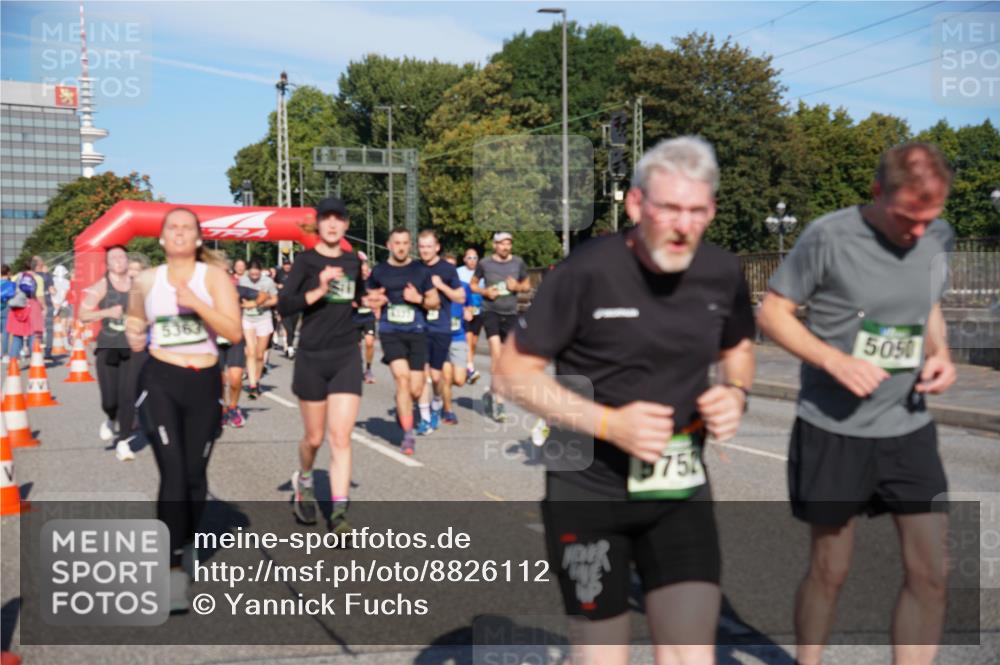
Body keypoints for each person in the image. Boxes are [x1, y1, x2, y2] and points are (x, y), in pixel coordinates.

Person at [494, 136, 756, 665]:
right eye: (669, 209)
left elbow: (739, 346)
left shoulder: (722, 273)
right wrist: (610, 424)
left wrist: (736, 391)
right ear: (637, 204)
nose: (683, 225)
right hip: (587, 492)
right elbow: (511, 373)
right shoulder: (586, 272)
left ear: (712, 210)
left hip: (678, 488)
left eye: (697, 211)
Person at [757, 142, 956, 665]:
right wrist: (835, 361)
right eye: (907, 218)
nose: (917, 232)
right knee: (831, 568)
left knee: (931, 572)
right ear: (876, 193)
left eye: (928, 218)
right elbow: (774, 314)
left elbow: (928, 304)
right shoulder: (828, 235)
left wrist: (941, 352)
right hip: (833, 426)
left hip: (907, 425)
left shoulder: (938, 236)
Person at [126, 208, 241, 612]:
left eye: (186, 228)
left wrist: (196, 303)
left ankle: (185, 544)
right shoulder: (146, 279)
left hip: (204, 384)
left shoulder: (213, 278)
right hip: (161, 381)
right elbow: (135, 317)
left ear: (197, 239)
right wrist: (133, 331)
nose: (178, 233)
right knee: (173, 472)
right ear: (161, 238)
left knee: (194, 477)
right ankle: (172, 569)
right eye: (171, 227)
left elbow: (233, 331)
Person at [277, 197, 385, 531]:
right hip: (311, 354)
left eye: (339, 219)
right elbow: (286, 305)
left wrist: (371, 302)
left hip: (345, 355)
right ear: (319, 224)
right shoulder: (306, 262)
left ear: (346, 225)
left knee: (341, 437)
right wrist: (319, 288)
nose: (333, 224)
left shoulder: (353, 261)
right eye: (327, 219)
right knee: (314, 437)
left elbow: (358, 299)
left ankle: (339, 514)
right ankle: (305, 481)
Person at [366, 227, 439, 455]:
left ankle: (403, 406)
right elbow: (367, 298)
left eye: (405, 243)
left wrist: (418, 299)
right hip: (391, 331)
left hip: (417, 331)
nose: (401, 247)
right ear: (389, 245)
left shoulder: (420, 270)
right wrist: (376, 300)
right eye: (396, 242)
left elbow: (434, 302)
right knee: (402, 379)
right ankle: (408, 436)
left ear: (410, 245)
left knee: (416, 389)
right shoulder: (379, 271)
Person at [79, 245, 139, 461]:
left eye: (122, 256)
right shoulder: (102, 285)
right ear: (108, 263)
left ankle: (123, 441)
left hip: (132, 348)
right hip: (108, 347)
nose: (119, 260)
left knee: (128, 396)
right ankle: (110, 418)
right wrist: (106, 312)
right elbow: (83, 314)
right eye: (114, 257)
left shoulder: (137, 284)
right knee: (109, 400)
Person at [471, 232, 530, 422]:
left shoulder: (518, 263)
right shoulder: (485, 264)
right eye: (502, 244)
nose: (506, 247)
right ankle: (500, 403)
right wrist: (484, 291)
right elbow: (472, 285)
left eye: (508, 244)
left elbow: (527, 285)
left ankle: (490, 393)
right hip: (491, 312)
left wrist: (517, 287)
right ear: (495, 245)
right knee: (496, 355)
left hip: (511, 314)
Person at [415, 230, 465, 435]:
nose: (425, 250)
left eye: (429, 246)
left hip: (441, 328)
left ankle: (436, 403)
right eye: (421, 246)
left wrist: (441, 286)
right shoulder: (414, 268)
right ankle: (425, 419)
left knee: (436, 378)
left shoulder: (447, 269)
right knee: (423, 375)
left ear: (437, 247)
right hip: (418, 327)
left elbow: (460, 298)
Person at [441, 253, 473, 424]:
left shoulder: (463, 286)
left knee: (459, 380)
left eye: (453, 266)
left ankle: (442, 391)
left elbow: (468, 304)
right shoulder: (435, 287)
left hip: (458, 336)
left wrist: (468, 311)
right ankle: (448, 411)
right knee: (446, 377)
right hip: (440, 337)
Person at [239, 260, 278, 400]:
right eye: (252, 273)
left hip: (264, 318)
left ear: (261, 271)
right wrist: (243, 305)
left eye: (257, 273)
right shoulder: (242, 280)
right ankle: (253, 385)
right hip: (247, 319)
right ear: (248, 271)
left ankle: (256, 379)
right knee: (250, 351)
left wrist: (260, 303)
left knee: (260, 355)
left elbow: (275, 299)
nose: (254, 275)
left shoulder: (267, 282)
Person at [456, 248, 483, 384]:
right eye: (470, 258)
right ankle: (468, 368)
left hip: (478, 311)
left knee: (473, 342)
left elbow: (485, 290)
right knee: (467, 339)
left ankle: (468, 366)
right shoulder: (459, 272)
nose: (472, 260)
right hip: (464, 311)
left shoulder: (481, 272)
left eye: (475, 258)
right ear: (464, 259)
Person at [353, 252, 378, 384]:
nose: (364, 272)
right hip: (354, 316)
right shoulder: (352, 281)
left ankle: (368, 369)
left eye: (366, 269)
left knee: (369, 343)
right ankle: (358, 367)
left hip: (368, 316)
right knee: (356, 346)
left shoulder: (372, 282)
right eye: (362, 270)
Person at [31, 256, 56, 358]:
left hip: (34, 304)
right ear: (41, 264)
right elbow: (52, 291)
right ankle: (48, 353)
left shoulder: (30, 276)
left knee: (35, 329)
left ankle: (35, 351)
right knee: (49, 329)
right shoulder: (47, 275)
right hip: (48, 303)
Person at [1, 264, 13, 362]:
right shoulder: (10, 284)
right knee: (5, 333)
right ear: (8, 273)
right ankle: (5, 355)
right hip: (6, 308)